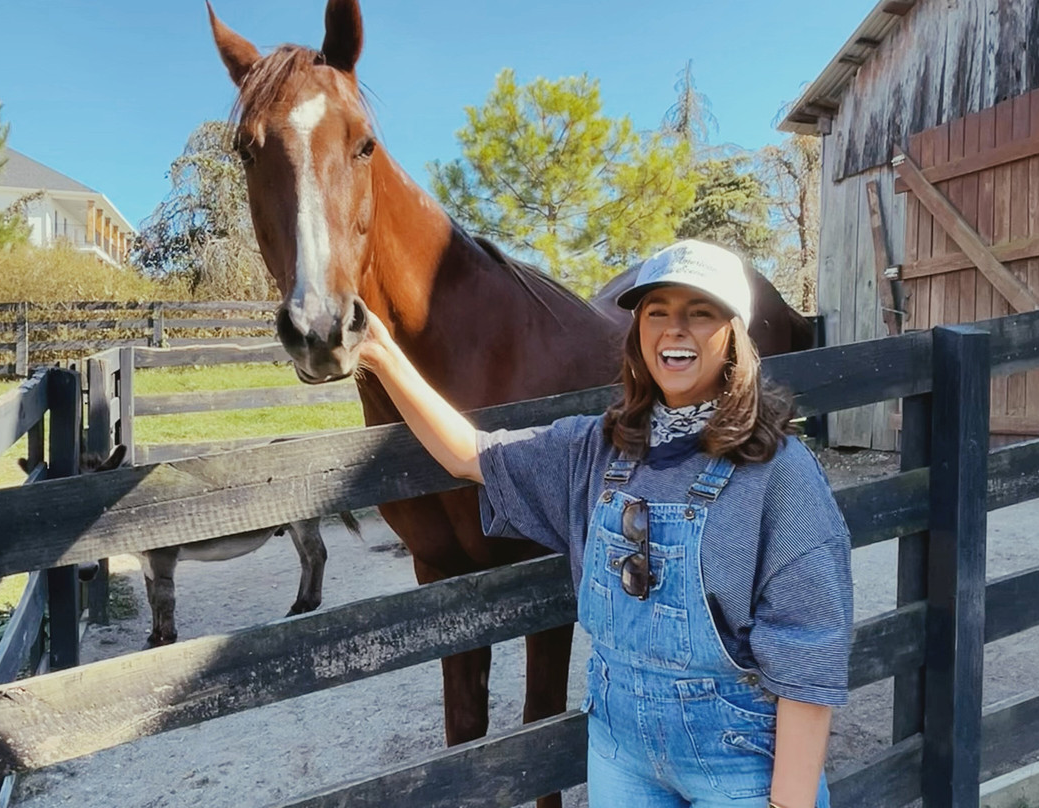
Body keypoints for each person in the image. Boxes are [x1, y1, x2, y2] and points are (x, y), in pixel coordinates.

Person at [357, 239, 853, 808]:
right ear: (638, 331)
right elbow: (471, 454)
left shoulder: (780, 471)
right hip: (621, 754)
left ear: (735, 335)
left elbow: (810, 648)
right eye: (658, 312)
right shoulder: (597, 449)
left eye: (700, 313)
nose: (675, 330)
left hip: (737, 759)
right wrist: (382, 353)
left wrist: (790, 802)